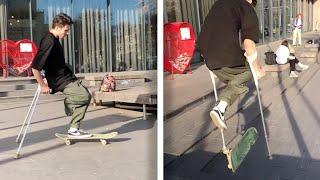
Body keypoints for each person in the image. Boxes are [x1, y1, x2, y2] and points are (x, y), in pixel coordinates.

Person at [198, 0, 265, 129]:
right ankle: (220, 108)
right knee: (248, 71)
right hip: (225, 56)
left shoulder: (219, 4)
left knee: (235, 77)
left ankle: (224, 100)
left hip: (208, 58)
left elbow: (205, 30)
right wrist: (257, 69)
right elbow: (249, 45)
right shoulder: (246, 6)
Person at [31, 13, 92, 138]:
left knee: (86, 96)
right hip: (60, 80)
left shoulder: (54, 39)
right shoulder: (49, 41)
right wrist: (42, 85)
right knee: (84, 96)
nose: (67, 33)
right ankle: (69, 104)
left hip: (65, 77)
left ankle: (74, 129)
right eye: (66, 30)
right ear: (58, 27)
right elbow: (35, 67)